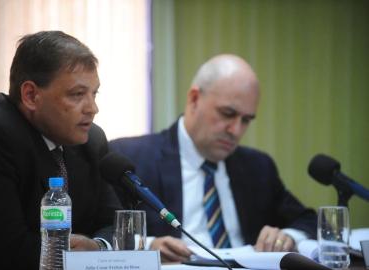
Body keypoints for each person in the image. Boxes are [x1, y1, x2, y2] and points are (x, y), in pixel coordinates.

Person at [109, 54, 317, 262]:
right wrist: (146, 245)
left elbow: (308, 220)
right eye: (227, 113)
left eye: (246, 120)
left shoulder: (258, 167)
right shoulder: (129, 158)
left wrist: (287, 237)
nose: (236, 130)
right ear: (194, 99)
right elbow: (98, 231)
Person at [0, 31, 122, 269]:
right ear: (31, 95)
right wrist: (76, 258)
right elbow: (7, 251)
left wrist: (98, 246)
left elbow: (114, 224)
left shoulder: (92, 140)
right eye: (77, 94)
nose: (92, 108)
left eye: (94, 93)